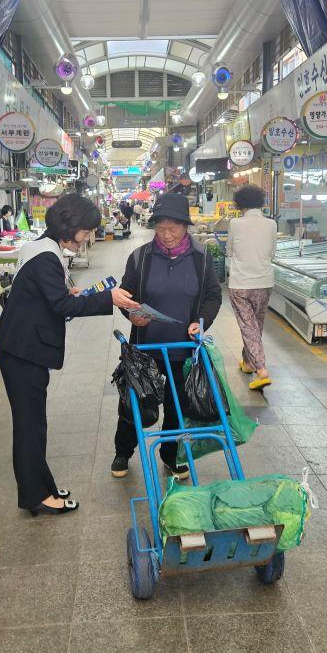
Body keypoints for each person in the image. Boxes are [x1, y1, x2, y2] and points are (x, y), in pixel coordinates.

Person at [0, 194, 139, 516]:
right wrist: (108, 299)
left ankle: (42, 485)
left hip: (20, 347)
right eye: (86, 231)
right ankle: (36, 497)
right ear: (69, 225)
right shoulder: (47, 257)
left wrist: (67, 291)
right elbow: (60, 306)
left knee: (35, 424)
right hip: (24, 352)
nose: (88, 237)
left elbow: (50, 297)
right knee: (29, 426)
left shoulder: (40, 248)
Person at [111, 193, 223, 479]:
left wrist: (202, 321)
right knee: (134, 401)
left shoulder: (201, 258)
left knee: (176, 406)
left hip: (182, 347)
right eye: (160, 229)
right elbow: (126, 295)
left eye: (173, 228)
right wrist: (131, 314)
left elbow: (212, 295)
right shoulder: (140, 258)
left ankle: (170, 456)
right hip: (146, 345)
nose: (166, 235)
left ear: (186, 227)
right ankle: (123, 452)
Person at [227, 185, 278, 390]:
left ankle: (261, 370)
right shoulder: (272, 224)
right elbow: (272, 253)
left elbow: (229, 252)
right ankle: (248, 362)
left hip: (240, 284)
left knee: (248, 326)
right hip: (264, 282)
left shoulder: (235, 223)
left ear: (239, 203)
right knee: (256, 325)